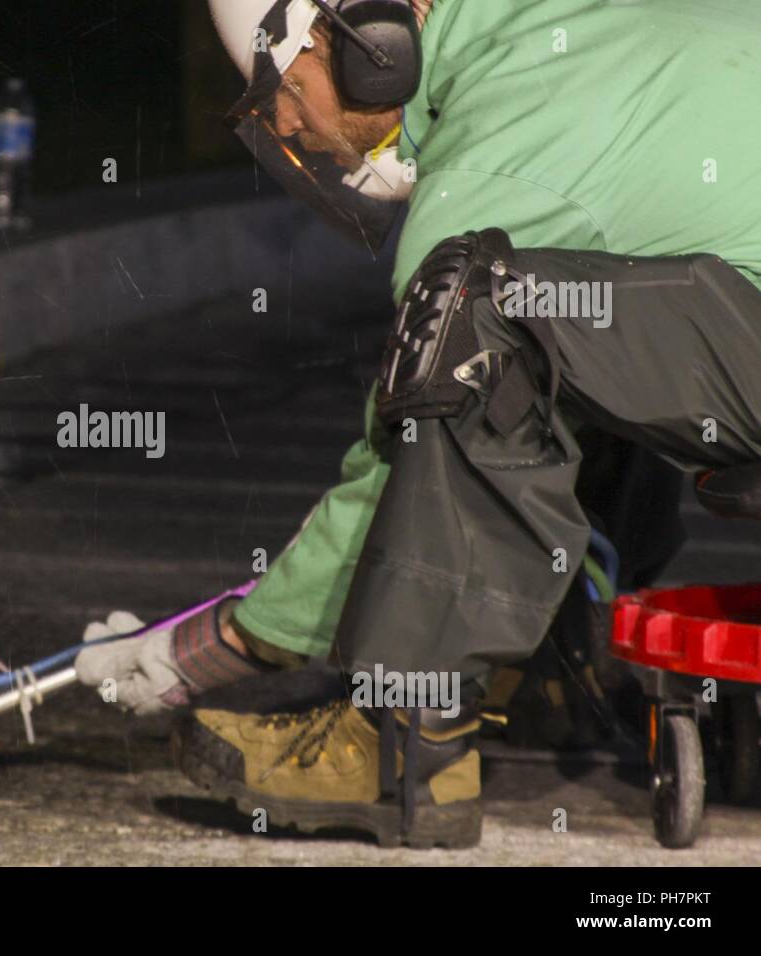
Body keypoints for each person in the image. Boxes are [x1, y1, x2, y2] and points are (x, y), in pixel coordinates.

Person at [76, 0, 761, 848]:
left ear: (372, 43)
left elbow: (397, 466)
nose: (286, 125)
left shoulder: (507, 160)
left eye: (281, 88)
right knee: (586, 321)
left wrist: (221, 645)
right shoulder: (577, 32)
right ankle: (553, 666)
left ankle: (401, 742)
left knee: (477, 323)